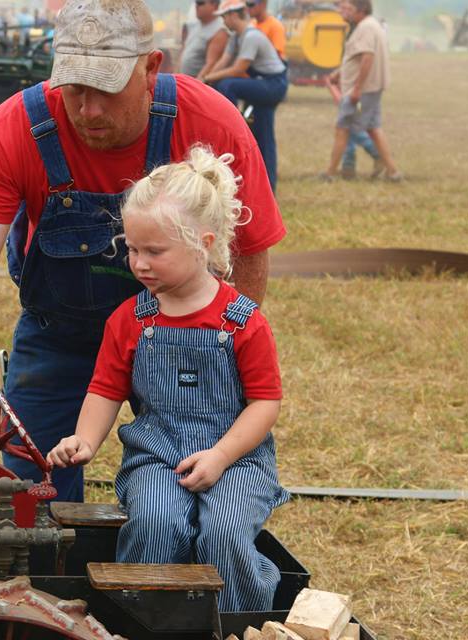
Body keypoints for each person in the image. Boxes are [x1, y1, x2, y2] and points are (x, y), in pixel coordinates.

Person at [0, 0, 285, 502]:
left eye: (107, 88)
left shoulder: (210, 122)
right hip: (59, 336)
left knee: (200, 492)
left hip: (184, 335)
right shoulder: (15, 129)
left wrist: (222, 355)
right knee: (30, 499)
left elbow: (248, 253)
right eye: (73, 87)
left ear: (151, 68)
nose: (88, 110)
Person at [47, 147, 287, 612]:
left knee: (225, 530)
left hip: (236, 459)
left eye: (154, 251)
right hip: (157, 457)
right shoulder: (130, 320)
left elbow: (264, 403)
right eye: (132, 249)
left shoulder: (242, 322)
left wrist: (220, 456)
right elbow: (105, 389)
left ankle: (240, 620)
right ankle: (143, 618)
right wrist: (85, 440)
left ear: (203, 243)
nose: (138, 263)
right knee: (157, 521)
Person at [204, 0, 288, 192]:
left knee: (226, 84)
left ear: (234, 15)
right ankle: (268, 190)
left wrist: (208, 78)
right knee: (263, 136)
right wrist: (203, 80)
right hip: (261, 83)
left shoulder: (251, 36)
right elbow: (223, 61)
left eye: (224, 16)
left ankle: (231, 123)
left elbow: (238, 68)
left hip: (273, 84)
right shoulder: (237, 37)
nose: (223, 21)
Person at [321, 0, 401, 181]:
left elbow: (367, 57)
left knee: (342, 128)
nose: (345, 12)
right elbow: (356, 59)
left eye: (349, 9)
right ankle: (393, 171)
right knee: (373, 128)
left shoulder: (365, 28)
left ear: (361, 10)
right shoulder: (371, 25)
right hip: (370, 87)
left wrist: (357, 88)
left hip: (361, 90)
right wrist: (340, 74)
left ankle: (330, 173)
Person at [179, 0, 229, 81]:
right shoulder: (193, 26)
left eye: (200, 3)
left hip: (197, 81)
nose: (196, 6)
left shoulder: (220, 30)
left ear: (214, 5)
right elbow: (183, 52)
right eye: (196, 3)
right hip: (185, 79)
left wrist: (197, 84)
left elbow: (211, 63)